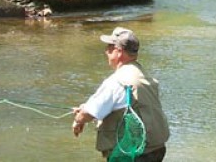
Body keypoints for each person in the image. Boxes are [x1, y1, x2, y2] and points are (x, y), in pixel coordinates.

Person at [72, 27, 170, 161]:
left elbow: (87, 114)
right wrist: (86, 110)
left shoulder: (117, 81)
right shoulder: (145, 77)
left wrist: (79, 119)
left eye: (109, 47)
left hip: (132, 155)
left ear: (118, 52)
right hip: (156, 150)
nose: (106, 51)